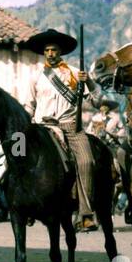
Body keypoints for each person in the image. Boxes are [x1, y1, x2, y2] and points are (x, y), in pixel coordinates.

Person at [23, 27, 105, 231]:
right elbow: (29, 105)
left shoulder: (76, 74)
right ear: (44, 52)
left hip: (71, 128)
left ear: (61, 52)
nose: (51, 53)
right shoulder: (36, 76)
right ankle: (26, 206)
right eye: (47, 50)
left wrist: (91, 82)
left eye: (54, 50)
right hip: (43, 127)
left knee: (87, 161)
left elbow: (97, 101)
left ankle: (85, 213)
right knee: (19, 154)